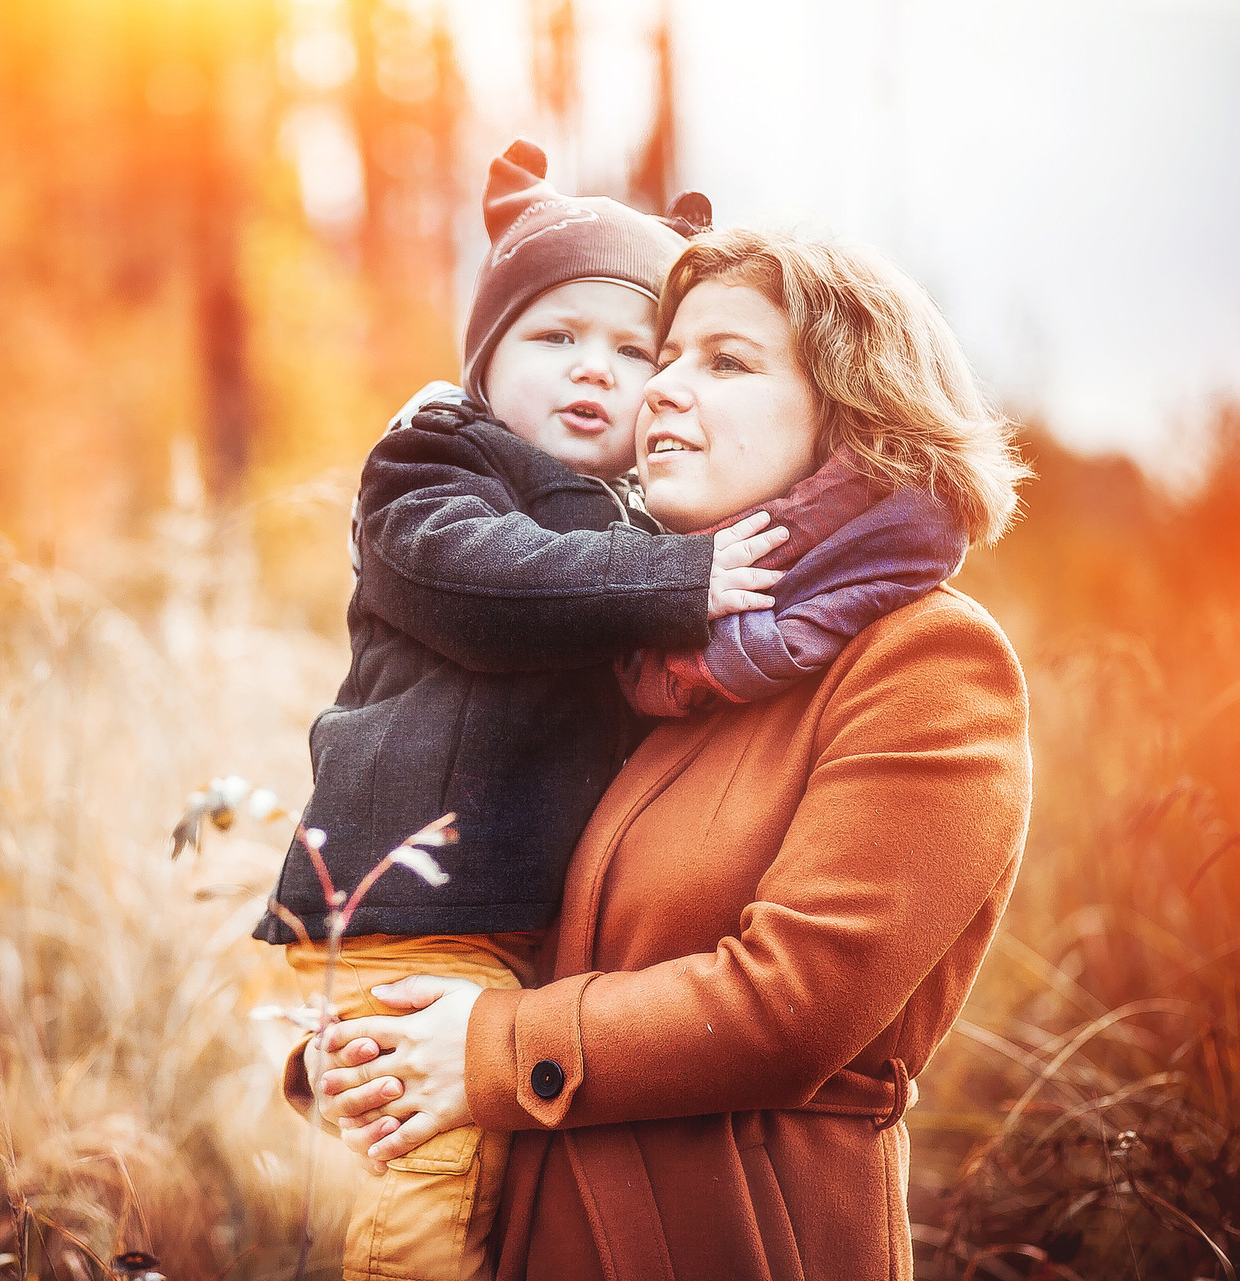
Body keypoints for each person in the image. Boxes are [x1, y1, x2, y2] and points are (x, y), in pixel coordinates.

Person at [302, 228, 1035, 1281]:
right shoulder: (656, 659)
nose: (659, 391)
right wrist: (373, 1038)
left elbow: (795, 1007)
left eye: (725, 362)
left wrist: (485, 1049)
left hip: (741, 1238)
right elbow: (532, 930)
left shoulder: (928, 660)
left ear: (856, 418)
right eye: (670, 355)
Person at [251, 140, 789, 1281]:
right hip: (426, 903)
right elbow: (488, 587)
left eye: (632, 349)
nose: (593, 371)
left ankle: (325, 1074)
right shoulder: (432, 465)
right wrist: (677, 583)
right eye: (553, 339)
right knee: (437, 1180)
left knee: (520, 1192)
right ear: (487, 364)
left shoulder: (645, 507)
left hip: (533, 935)